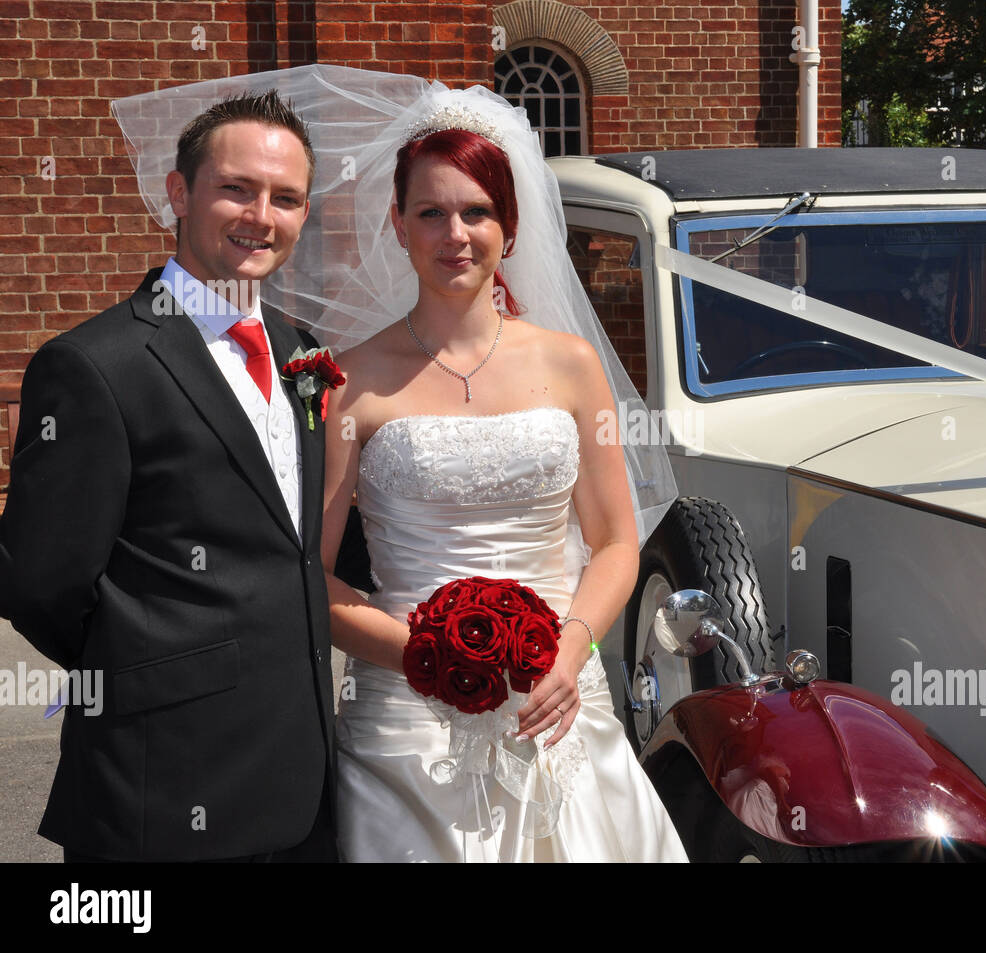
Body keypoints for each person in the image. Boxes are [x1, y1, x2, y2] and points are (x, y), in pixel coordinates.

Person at [309, 79, 687, 862]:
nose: (456, 233)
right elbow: (309, 574)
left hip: (557, 696)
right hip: (406, 721)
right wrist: (422, 654)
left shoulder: (571, 366)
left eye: (477, 210)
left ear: (509, 227)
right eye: (431, 212)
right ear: (398, 225)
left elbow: (617, 541)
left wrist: (571, 648)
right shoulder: (349, 379)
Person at [0, 87, 338, 861]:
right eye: (237, 189)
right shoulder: (94, 365)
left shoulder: (300, 352)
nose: (262, 215)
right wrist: (155, 662)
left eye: (286, 198)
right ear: (178, 193)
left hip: (305, 787)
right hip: (159, 789)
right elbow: (37, 582)